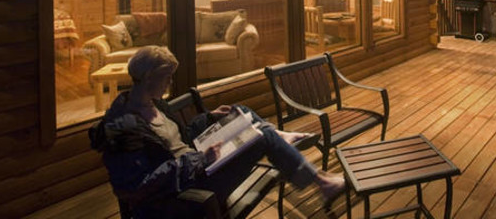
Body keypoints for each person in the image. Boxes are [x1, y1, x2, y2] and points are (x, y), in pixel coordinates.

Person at [89, 46, 345, 218]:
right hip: (187, 188)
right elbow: (136, 186)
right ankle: (320, 181)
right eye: (166, 77)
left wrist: (211, 118)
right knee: (262, 137)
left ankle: (278, 138)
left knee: (238, 111)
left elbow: (182, 136)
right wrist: (200, 160)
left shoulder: (156, 104)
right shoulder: (123, 129)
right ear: (148, 79)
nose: (170, 83)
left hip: (199, 160)